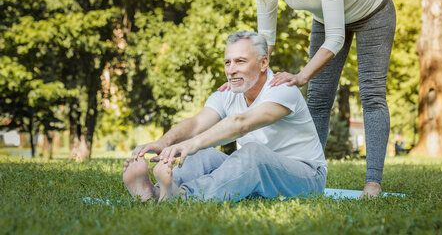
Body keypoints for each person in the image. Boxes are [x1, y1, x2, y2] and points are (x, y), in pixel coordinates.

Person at [247, 0, 396, 198]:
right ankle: (306, 176)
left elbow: (336, 39)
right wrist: (251, 79)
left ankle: (373, 183)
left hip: (373, 13)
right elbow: (266, 38)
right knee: (317, 98)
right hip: (327, 19)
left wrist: (302, 75)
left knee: (372, 94)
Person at [122, 30, 327, 203]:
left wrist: (192, 143)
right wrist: (164, 141)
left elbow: (242, 124)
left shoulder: (283, 89)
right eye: (227, 62)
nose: (231, 70)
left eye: (240, 61)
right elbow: (196, 124)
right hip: (260, 170)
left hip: (307, 177)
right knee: (201, 153)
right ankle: (154, 191)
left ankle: (184, 196)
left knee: (252, 153)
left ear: (263, 63)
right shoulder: (228, 92)